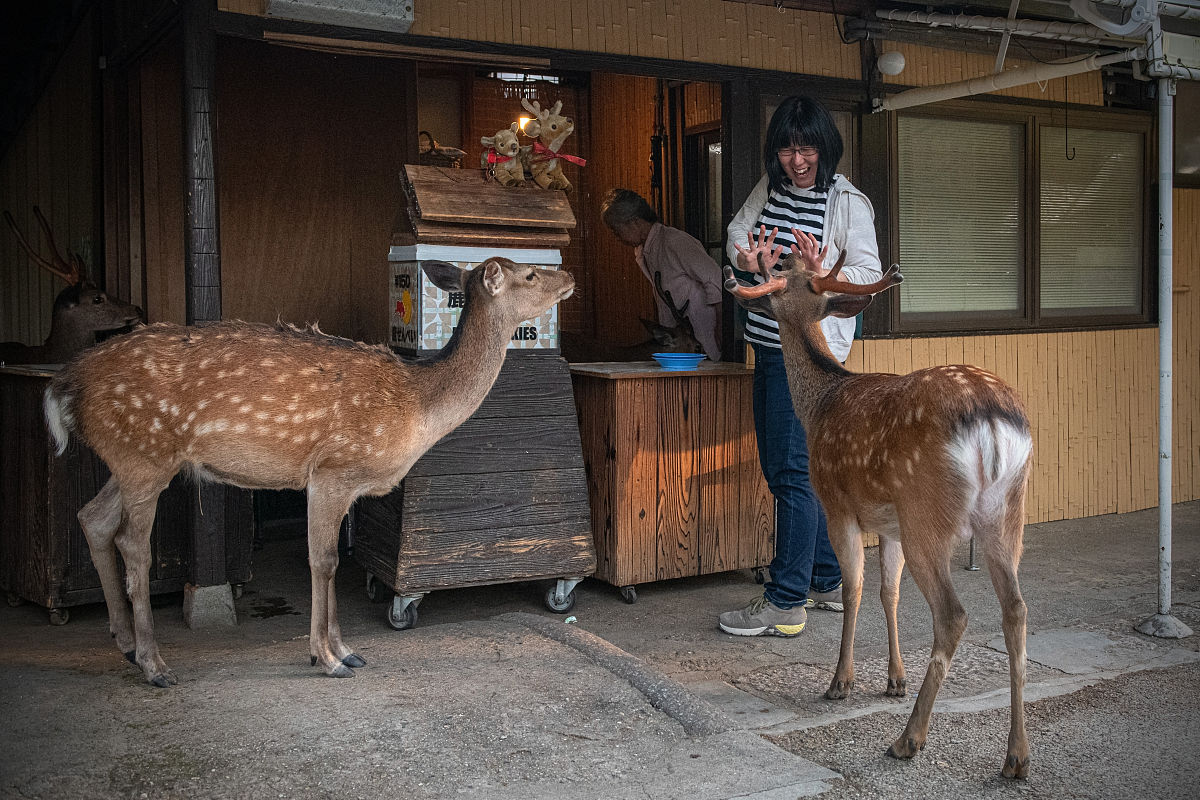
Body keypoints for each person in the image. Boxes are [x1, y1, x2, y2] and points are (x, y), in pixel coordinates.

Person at [718, 95, 883, 637]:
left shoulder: (846, 202)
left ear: (824, 148)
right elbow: (739, 237)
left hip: (812, 357)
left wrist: (819, 274)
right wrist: (749, 261)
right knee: (794, 470)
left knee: (789, 473)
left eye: (805, 147)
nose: (797, 159)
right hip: (769, 347)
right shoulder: (770, 191)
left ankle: (786, 599)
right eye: (787, 149)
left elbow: (866, 273)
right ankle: (827, 579)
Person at [600, 189, 723, 361]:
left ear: (634, 222)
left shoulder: (675, 241)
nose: (616, 237)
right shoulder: (646, 250)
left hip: (705, 334)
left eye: (616, 230)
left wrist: (720, 328)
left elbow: (715, 279)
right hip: (683, 343)